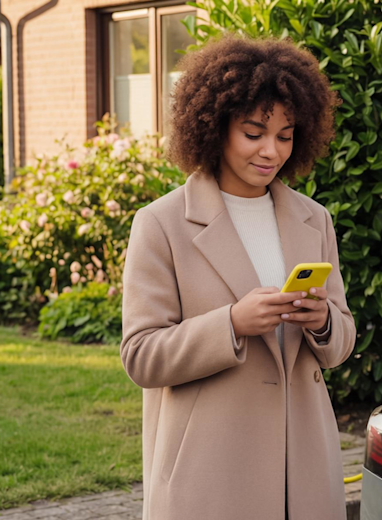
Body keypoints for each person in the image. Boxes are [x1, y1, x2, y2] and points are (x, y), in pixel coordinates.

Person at [120, 33, 355, 520]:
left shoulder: (315, 220)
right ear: (215, 125)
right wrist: (231, 323)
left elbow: (340, 343)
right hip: (210, 474)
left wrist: (322, 322)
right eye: (254, 133)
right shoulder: (161, 223)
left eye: (285, 136)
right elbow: (141, 356)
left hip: (303, 473)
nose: (271, 151)